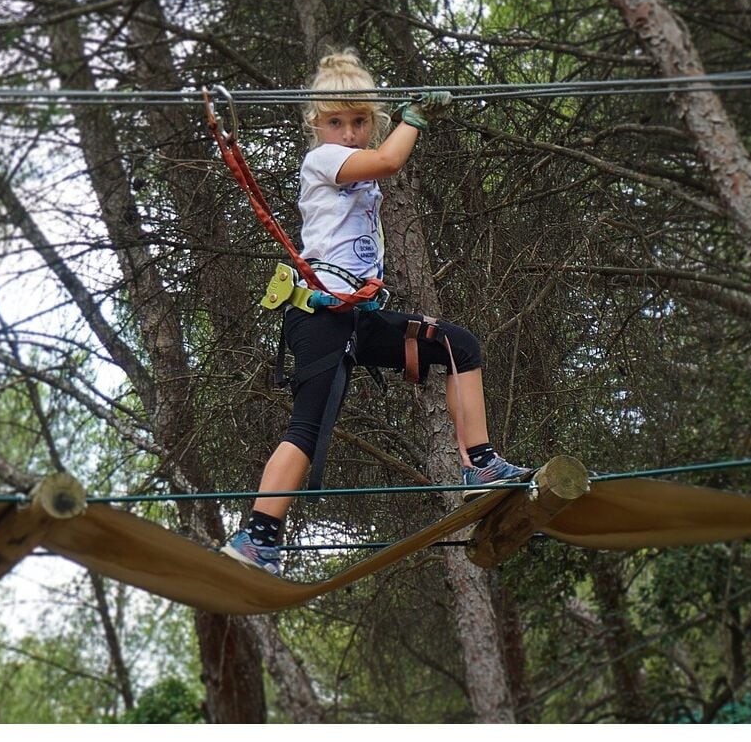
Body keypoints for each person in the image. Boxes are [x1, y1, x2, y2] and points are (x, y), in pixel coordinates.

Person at [221, 50, 530, 575]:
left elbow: (379, 166)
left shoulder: (356, 170)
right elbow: (388, 160)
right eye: (335, 122)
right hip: (319, 314)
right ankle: (258, 535)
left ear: (372, 120)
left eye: (360, 120)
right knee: (310, 424)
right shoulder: (322, 161)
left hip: (356, 317)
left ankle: (479, 464)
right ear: (316, 126)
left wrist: (403, 118)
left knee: (459, 345)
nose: (348, 131)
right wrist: (413, 119)